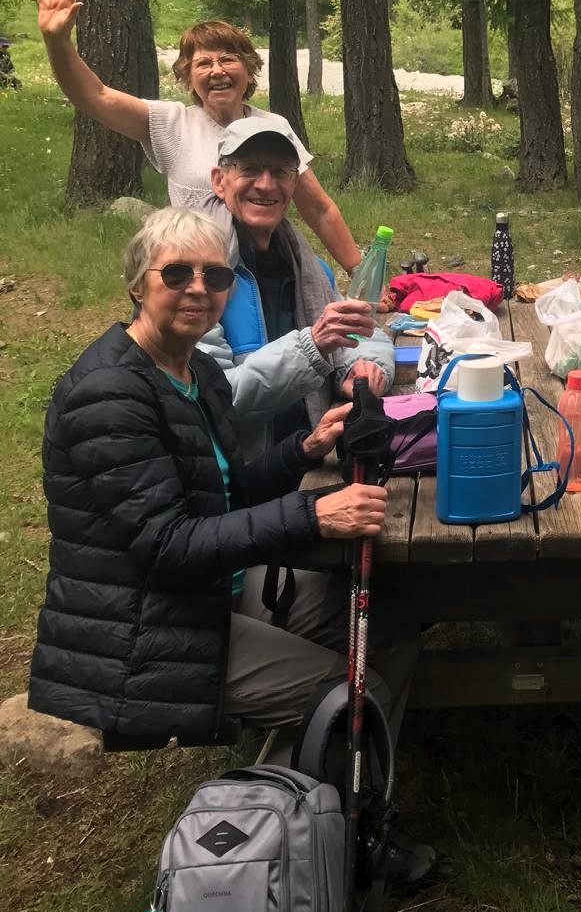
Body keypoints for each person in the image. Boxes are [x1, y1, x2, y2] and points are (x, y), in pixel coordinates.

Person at [28, 206, 420, 763]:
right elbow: (169, 545)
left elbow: (225, 494)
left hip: (214, 585)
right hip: (148, 621)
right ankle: (300, 805)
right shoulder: (109, 395)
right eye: (176, 274)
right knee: (359, 691)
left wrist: (305, 449)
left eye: (215, 276)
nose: (198, 288)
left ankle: (332, 769)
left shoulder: (195, 371)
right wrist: (313, 515)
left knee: (393, 621)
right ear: (137, 285)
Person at [33, 0, 361, 271]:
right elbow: (96, 96)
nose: (217, 70)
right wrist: (57, 42)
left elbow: (319, 209)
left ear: (249, 71)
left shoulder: (275, 127)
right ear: (188, 79)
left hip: (266, 277)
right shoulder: (171, 123)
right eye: (203, 64)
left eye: (228, 59)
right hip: (197, 282)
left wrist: (361, 273)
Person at [198, 118, 394, 460]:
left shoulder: (309, 267)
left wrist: (363, 366)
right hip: (239, 473)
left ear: (293, 184)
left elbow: (364, 330)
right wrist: (311, 347)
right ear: (219, 181)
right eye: (250, 169)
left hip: (311, 454)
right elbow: (211, 401)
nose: (266, 184)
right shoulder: (198, 277)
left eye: (280, 171)